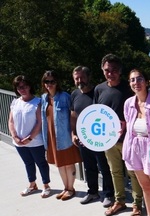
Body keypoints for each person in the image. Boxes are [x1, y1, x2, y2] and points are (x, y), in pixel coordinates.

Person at [94, 54, 143, 216]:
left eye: (114, 70)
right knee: (115, 172)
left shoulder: (129, 88)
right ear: (102, 70)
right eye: (107, 70)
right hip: (108, 141)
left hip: (129, 140)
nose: (110, 73)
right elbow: (95, 115)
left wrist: (127, 125)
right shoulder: (99, 89)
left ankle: (137, 204)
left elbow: (140, 111)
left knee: (133, 172)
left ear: (120, 71)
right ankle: (119, 201)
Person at [122, 69, 150, 216]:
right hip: (135, 149)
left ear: (146, 82)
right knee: (145, 186)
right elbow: (129, 126)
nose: (136, 83)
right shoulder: (128, 104)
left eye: (139, 79)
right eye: (132, 80)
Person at [70, 66, 114, 207]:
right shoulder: (75, 94)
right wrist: (74, 134)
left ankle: (108, 194)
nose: (79, 80)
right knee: (89, 167)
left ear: (88, 77)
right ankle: (93, 192)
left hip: (99, 137)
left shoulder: (97, 92)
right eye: (76, 78)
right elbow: (73, 115)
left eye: (82, 77)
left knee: (104, 167)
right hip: (83, 139)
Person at [41, 70, 81, 200]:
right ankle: (66, 187)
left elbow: (73, 116)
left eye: (52, 81)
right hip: (51, 137)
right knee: (60, 164)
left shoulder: (65, 96)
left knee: (69, 163)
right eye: (47, 81)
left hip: (64, 136)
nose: (49, 84)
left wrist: (73, 133)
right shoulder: (43, 98)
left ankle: (71, 188)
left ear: (57, 82)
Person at [8, 75, 51, 198]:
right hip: (19, 142)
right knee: (28, 163)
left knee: (41, 162)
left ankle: (46, 185)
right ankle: (32, 184)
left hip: (35, 141)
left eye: (24, 86)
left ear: (29, 87)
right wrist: (14, 136)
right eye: (19, 87)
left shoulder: (37, 102)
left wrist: (30, 138)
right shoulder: (15, 102)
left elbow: (39, 122)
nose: (22, 89)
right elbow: (11, 121)